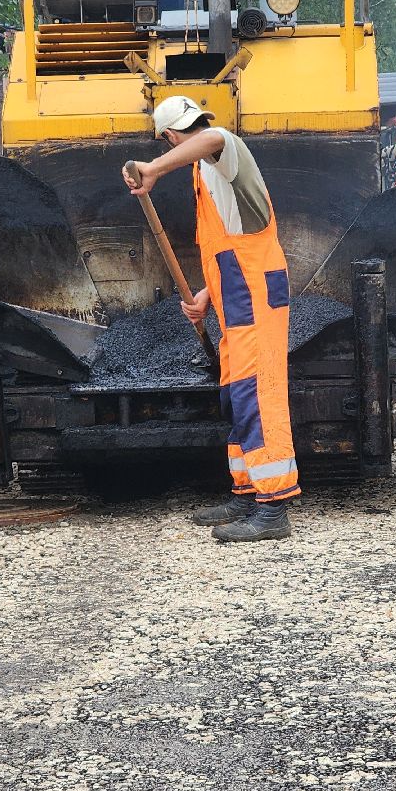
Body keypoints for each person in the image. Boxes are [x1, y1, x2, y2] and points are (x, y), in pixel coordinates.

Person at [122, 95, 298, 542]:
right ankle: (245, 492)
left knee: (259, 394)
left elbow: (215, 138)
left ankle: (273, 508)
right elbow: (229, 250)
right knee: (236, 396)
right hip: (235, 298)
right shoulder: (205, 172)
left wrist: (154, 168)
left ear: (169, 137)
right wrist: (205, 296)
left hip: (256, 295)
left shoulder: (224, 150)